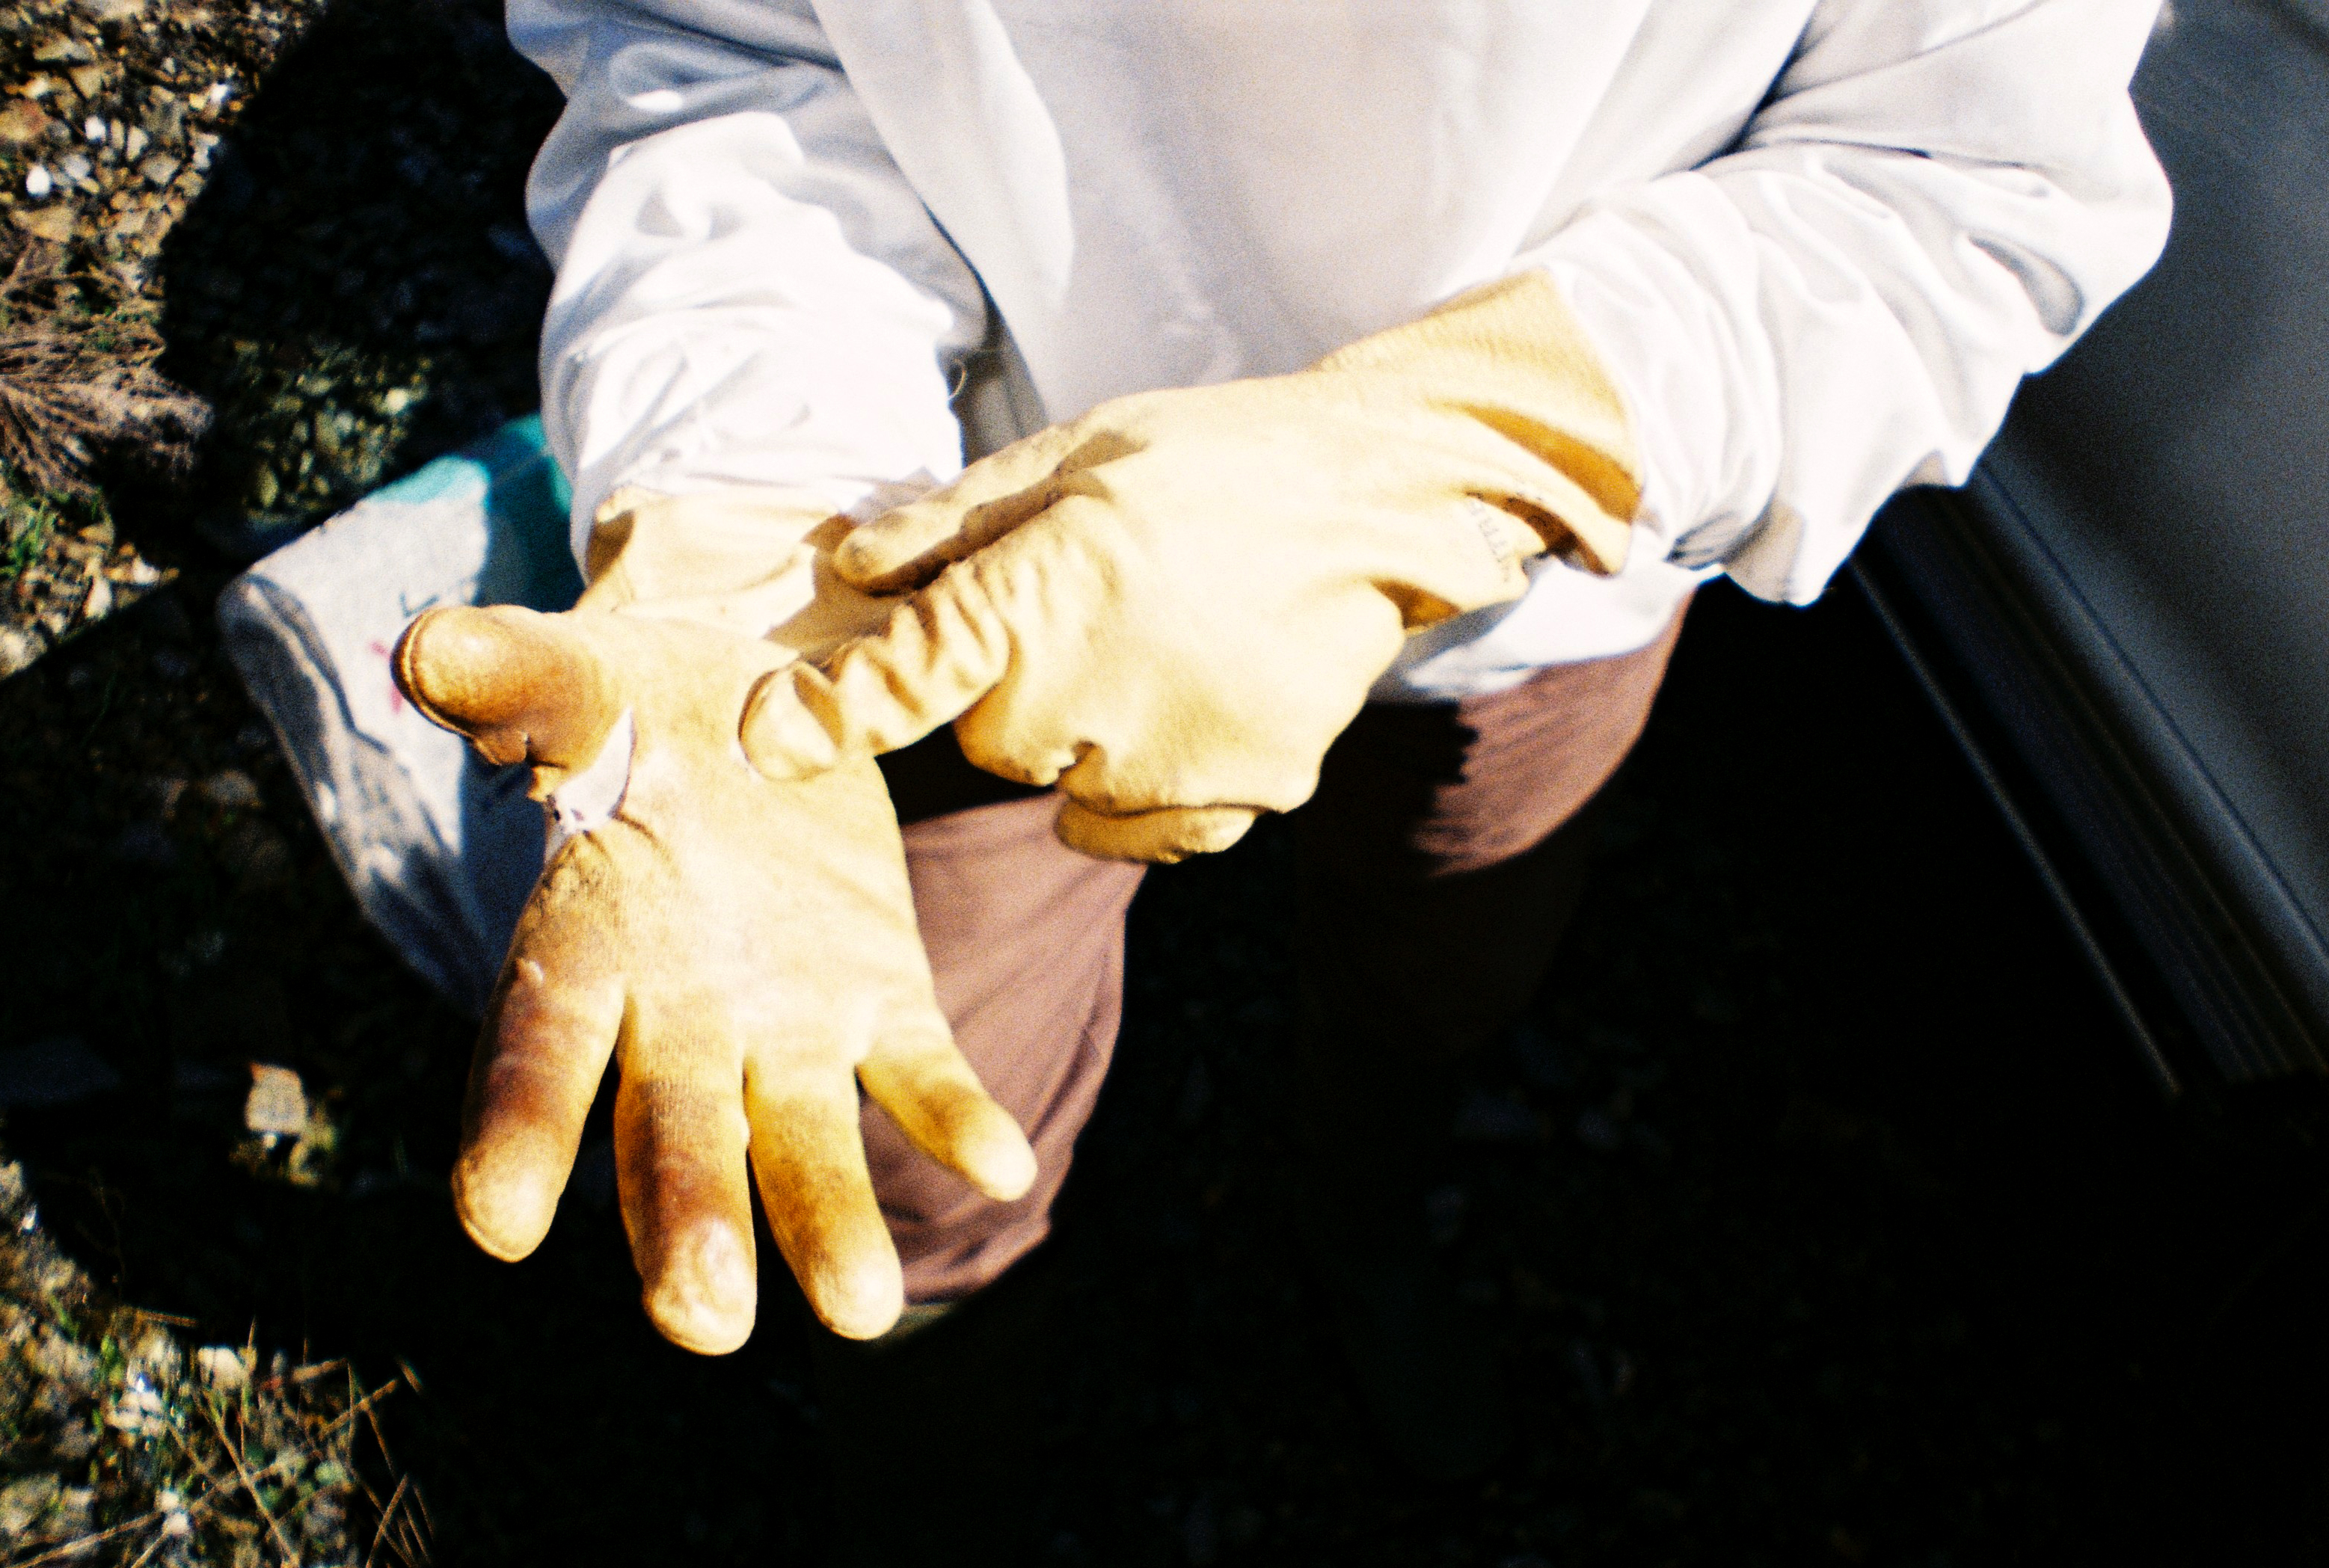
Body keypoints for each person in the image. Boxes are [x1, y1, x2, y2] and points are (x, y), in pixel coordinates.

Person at [386, 0, 2170, 1481]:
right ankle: (952, 1425)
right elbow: (728, 39)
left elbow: (1966, 168)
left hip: (1539, 581)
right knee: (907, 1120)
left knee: (1441, 949)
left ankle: (1366, 1208)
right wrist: (743, 519)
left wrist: (1448, 450)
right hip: (930, 535)